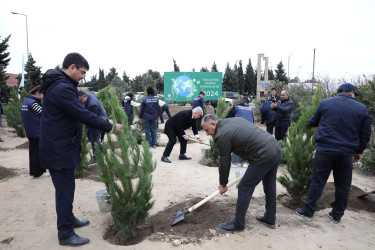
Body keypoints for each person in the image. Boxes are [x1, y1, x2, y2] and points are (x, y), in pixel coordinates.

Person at [39, 52, 122, 247]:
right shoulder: (61, 88)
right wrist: (109, 126)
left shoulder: (61, 85)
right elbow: (82, 114)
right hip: (59, 149)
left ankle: (69, 220)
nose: (83, 77)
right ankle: (65, 233)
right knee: (64, 192)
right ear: (72, 67)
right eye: (82, 72)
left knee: (66, 189)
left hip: (60, 146)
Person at [296, 83, 371, 224]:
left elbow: (312, 122)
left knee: (318, 181)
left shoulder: (325, 103)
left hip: (324, 150)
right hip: (346, 153)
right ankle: (336, 215)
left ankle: (308, 212)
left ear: (339, 92)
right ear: (351, 93)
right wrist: (359, 151)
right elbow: (366, 133)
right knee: (343, 185)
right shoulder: (361, 108)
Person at [201, 115, 281, 231]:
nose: (207, 134)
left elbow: (224, 161)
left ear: (213, 124)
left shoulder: (221, 134)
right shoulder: (232, 120)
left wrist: (223, 184)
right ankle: (270, 218)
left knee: (244, 187)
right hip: (274, 148)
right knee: (269, 186)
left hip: (263, 155)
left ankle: (238, 224)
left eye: (207, 130)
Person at [21, 85, 47, 177]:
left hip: (31, 131)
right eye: (43, 93)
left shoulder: (27, 101)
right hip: (36, 131)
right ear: (37, 93)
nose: (44, 96)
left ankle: (35, 171)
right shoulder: (34, 103)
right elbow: (44, 113)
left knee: (33, 152)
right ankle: (37, 172)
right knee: (36, 153)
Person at [78, 91, 108, 164]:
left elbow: (92, 118)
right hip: (96, 119)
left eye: (81, 101)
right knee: (90, 136)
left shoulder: (92, 104)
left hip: (99, 121)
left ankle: (96, 157)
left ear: (85, 96)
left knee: (94, 139)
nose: (80, 102)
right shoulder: (88, 95)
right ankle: (101, 151)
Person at [226, 99, 254, 167]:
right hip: (250, 129)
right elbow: (252, 120)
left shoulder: (235, 108)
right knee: (246, 146)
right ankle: (244, 163)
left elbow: (228, 118)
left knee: (236, 144)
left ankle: (235, 163)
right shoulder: (249, 110)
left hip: (239, 128)